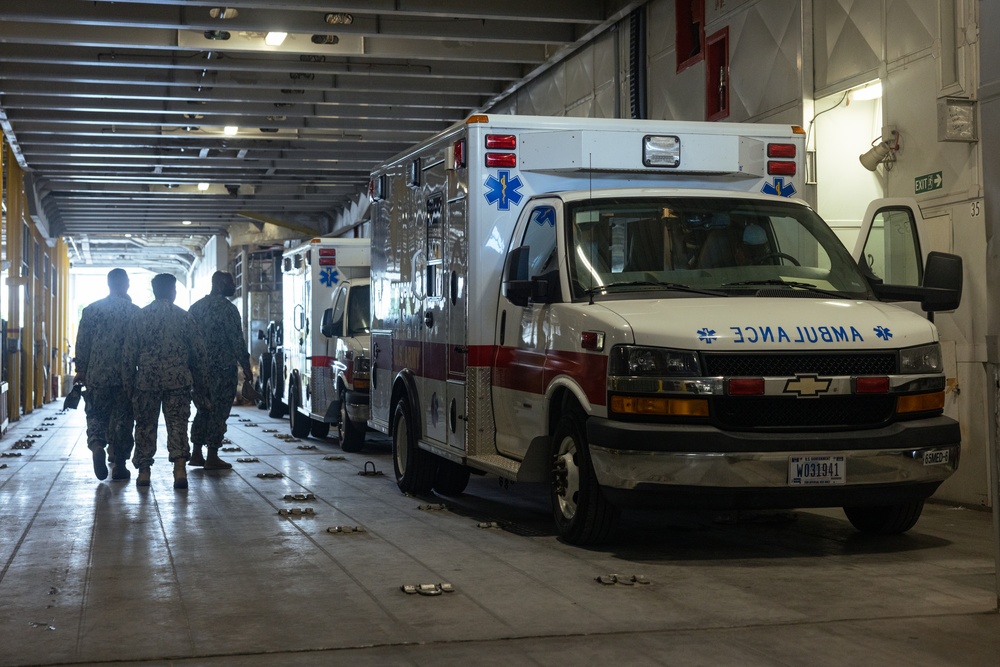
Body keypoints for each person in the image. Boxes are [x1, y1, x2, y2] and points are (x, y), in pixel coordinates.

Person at [122, 273, 210, 490]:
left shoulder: (140, 317)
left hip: (146, 382)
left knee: (144, 425)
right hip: (178, 381)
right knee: (178, 424)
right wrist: (201, 384)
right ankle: (180, 470)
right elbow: (199, 354)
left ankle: (144, 472)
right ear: (173, 291)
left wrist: (129, 385)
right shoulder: (184, 317)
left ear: (154, 291)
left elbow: (128, 356)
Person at [74, 268, 140, 481]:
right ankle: (119, 465)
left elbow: (82, 342)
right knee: (123, 420)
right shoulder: (134, 312)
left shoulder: (92, 310)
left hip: (97, 374)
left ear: (109, 284)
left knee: (96, 415)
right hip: (125, 376)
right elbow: (140, 345)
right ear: (126, 285)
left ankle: (96, 446)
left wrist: (81, 370)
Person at [188, 271, 253, 470]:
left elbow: (188, 340)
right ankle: (212, 455)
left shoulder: (196, 307)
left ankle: (196, 453)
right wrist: (246, 366)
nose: (234, 285)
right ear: (219, 284)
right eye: (230, 281)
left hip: (199, 372)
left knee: (202, 410)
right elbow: (236, 340)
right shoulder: (228, 309)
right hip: (222, 371)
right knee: (218, 412)